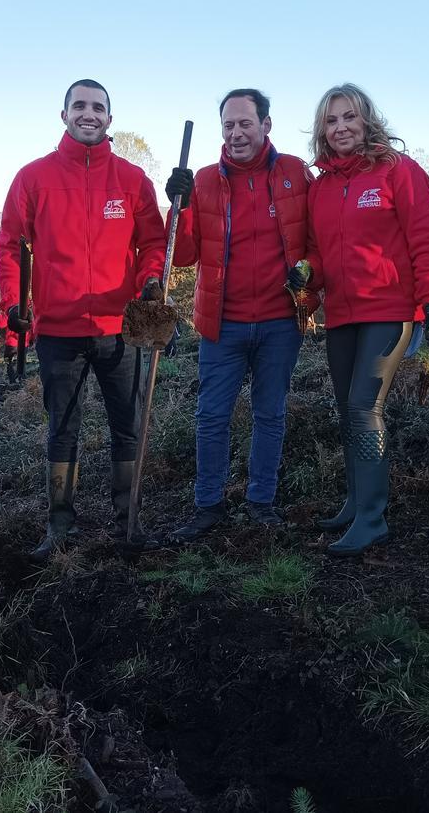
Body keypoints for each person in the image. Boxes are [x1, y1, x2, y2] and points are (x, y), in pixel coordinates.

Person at [0, 79, 166, 561]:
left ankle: (127, 521)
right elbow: (9, 245)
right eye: (79, 106)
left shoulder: (133, 180)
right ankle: (59, 526)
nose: (88, 114)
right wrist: (14, 304)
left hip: (121, 327)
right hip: (57, 331)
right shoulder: (33, 178)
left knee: (128, 426)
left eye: (98, 107)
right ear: (64, 113)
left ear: (110, 118)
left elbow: (154, 243)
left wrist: (150, 278)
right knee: (62, 429)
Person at [160, 89, 318, 543]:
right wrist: (180, 205)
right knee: (211, 416)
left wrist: (311, 278)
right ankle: (208, 505)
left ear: (266, 125)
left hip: (279, 321)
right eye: (228, 125)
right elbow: (185, 255)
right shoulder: (205, 180)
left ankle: (261, 503)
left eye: (244, 123)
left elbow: (315, 241)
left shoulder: (294, 174)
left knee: (269, 414)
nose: (235, 133)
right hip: (221, 323)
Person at [306, 84, 429, 556]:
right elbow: (321, 255)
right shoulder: (321, 187)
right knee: (347, 407)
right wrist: (307, 278)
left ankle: (373, 517)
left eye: (349, 117)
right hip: (340, 313)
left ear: (366, 120)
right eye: (332, 120)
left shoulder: (398, 172)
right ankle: (355, 501)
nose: (341, 127)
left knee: (365, 407)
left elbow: (425, 236)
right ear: (322, 130)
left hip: (389, 311)